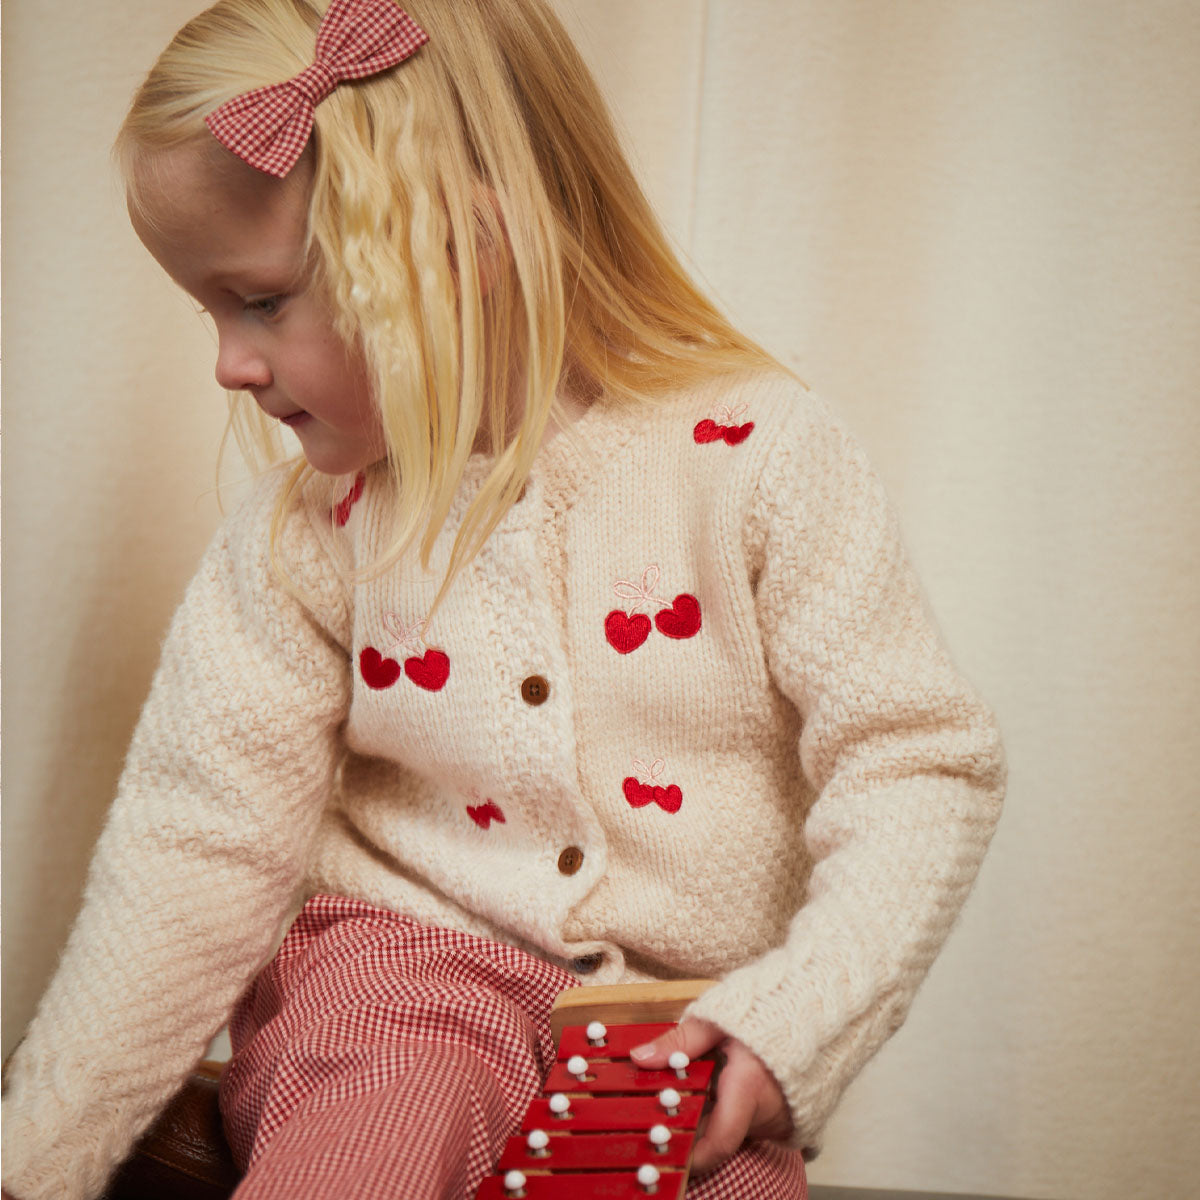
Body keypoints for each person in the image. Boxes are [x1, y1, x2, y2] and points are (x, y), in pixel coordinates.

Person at [0, 0, 1006, 1198]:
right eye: (212, 310)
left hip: (670, 1031)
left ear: (455, 245)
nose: (229, 361)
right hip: (397, 981)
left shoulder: (760, 457)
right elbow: (194, 844)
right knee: (382, 1110)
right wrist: (35, 1161)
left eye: (258, 300)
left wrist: (791, 1024)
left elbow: (917, 764)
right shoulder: (302, 540)